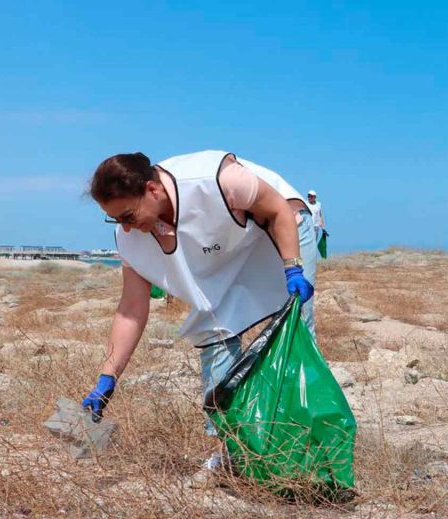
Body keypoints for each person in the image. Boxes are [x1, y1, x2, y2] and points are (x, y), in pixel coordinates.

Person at [81, 150, 319, 483]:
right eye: (115, 219)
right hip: (225, 250)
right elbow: (131, 310)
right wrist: (107, 379)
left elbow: (278, 210)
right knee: (214, 333)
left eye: (128, 215)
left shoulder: (218, 180)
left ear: (152, 190)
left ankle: (304, 445)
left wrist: (293, 268)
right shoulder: (131, 239)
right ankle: (232, 452)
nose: (127, 227)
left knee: (296, 335)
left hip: (278, 229)